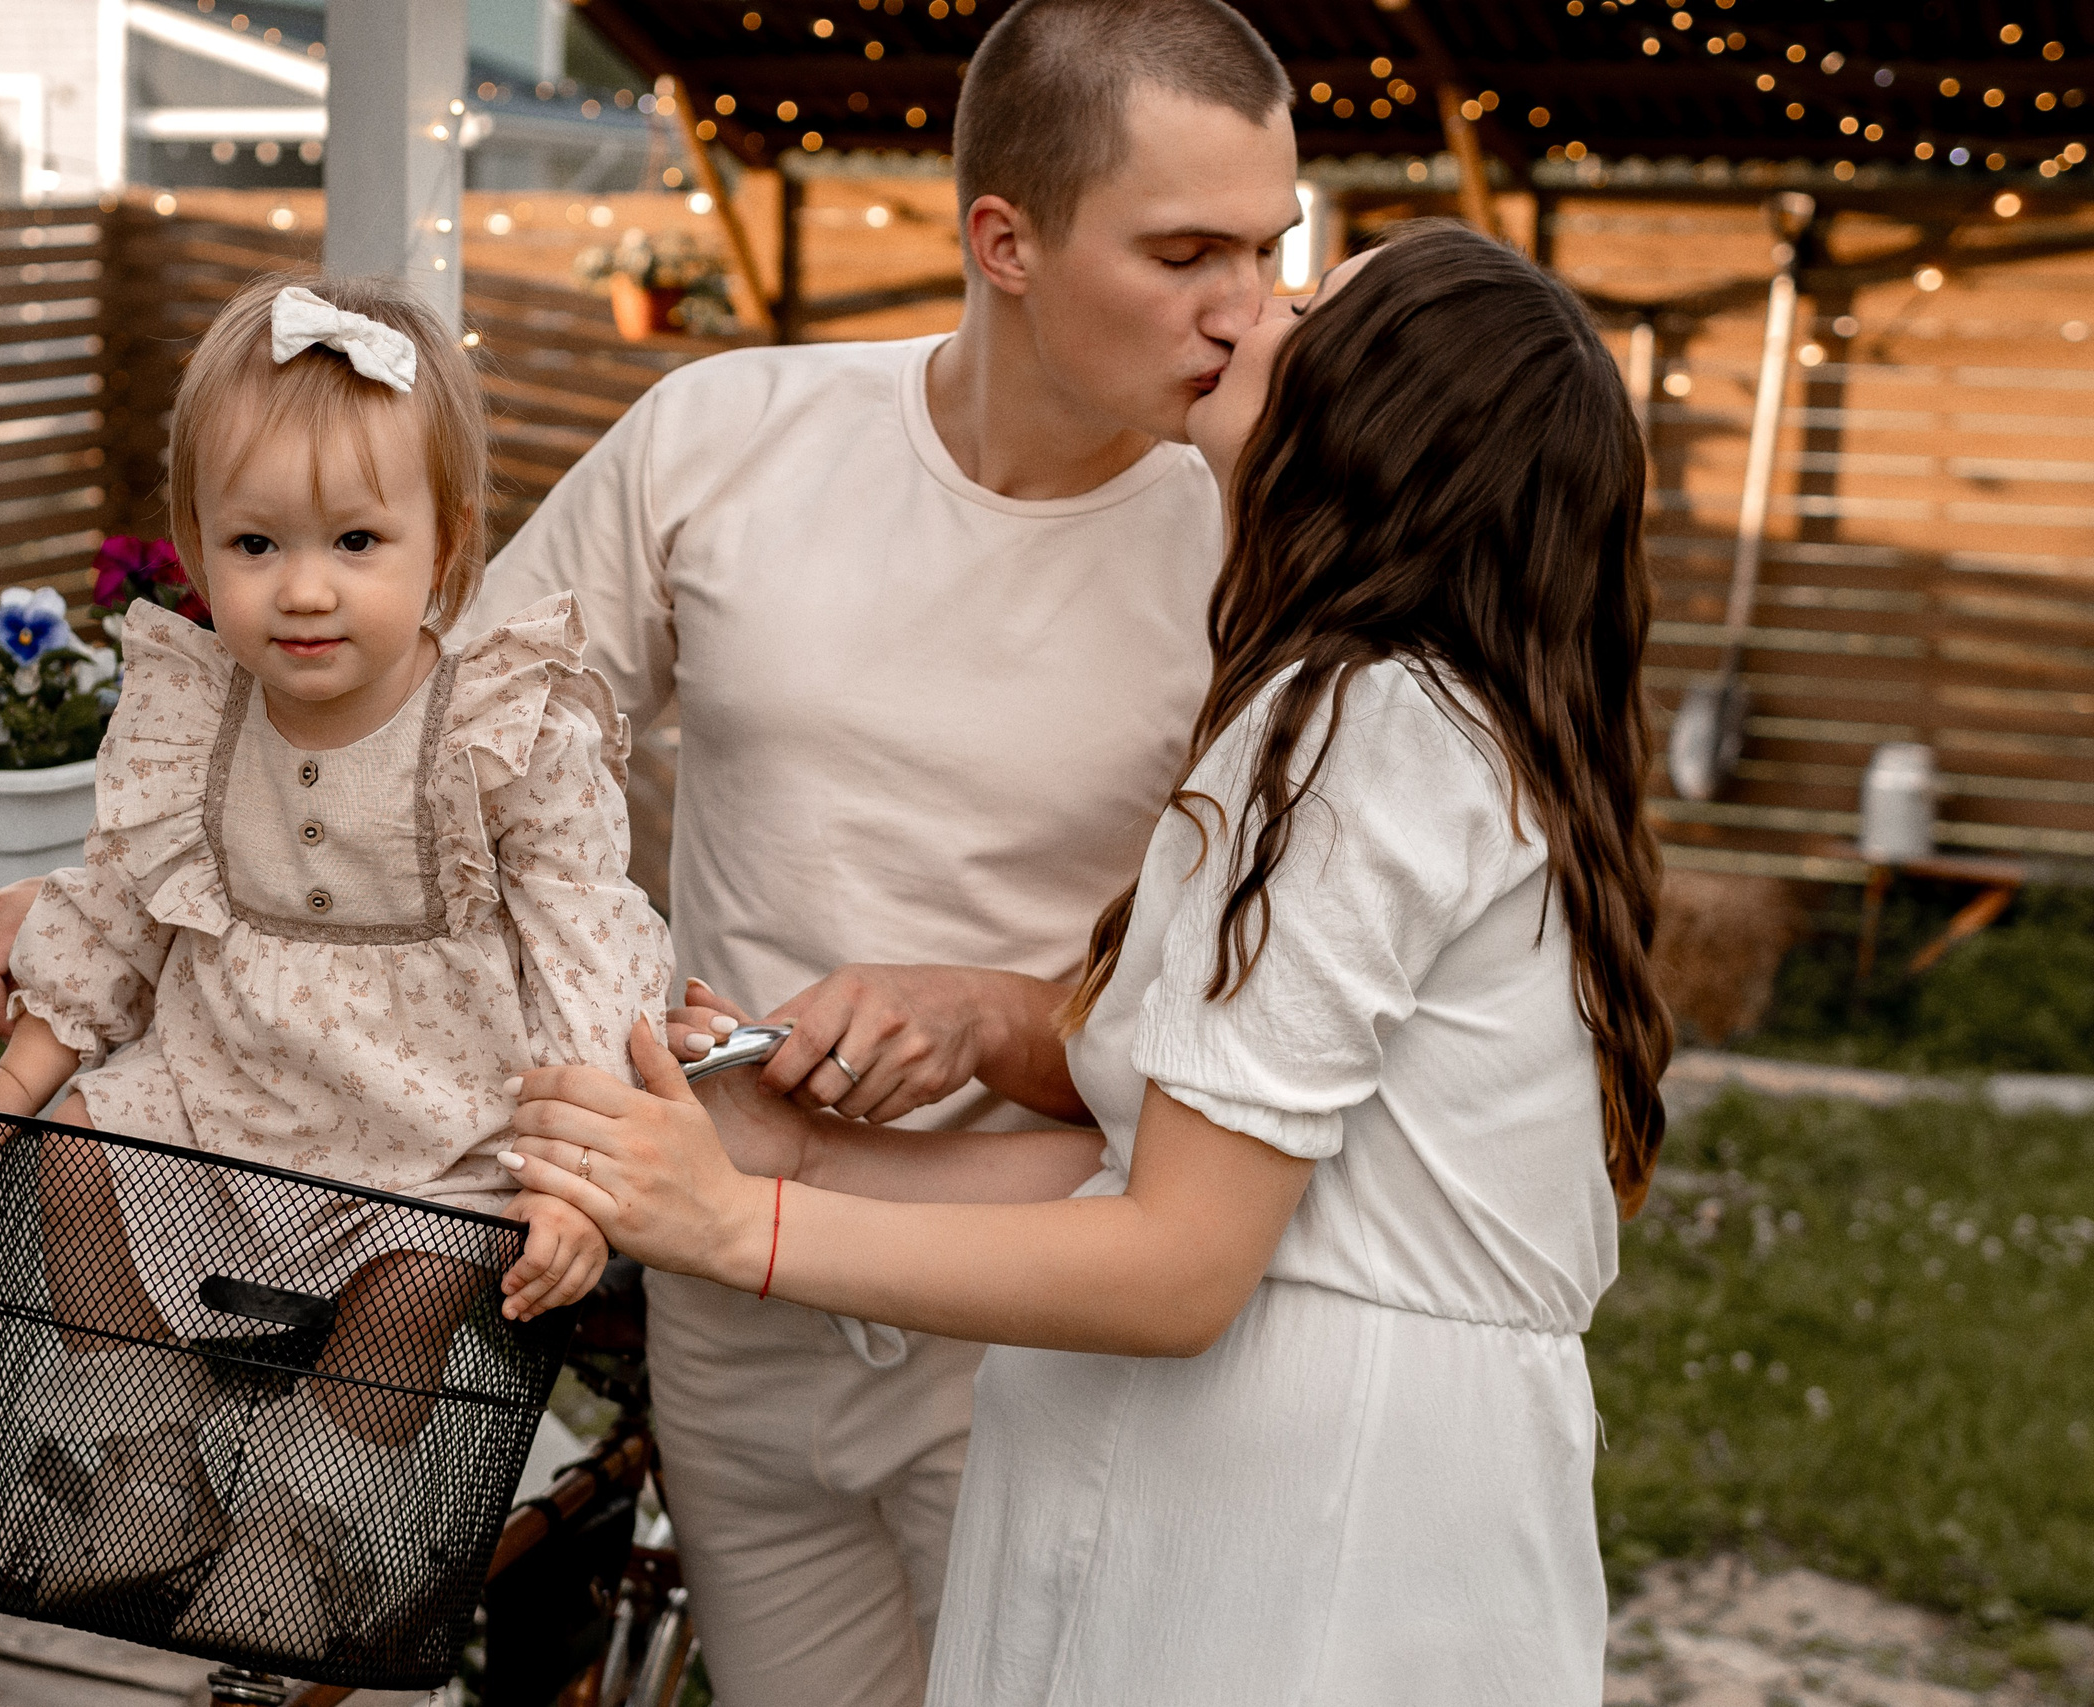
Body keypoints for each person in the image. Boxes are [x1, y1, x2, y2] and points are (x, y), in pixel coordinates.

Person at [0, 2, 1302, 1698]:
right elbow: (407, 725)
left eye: (1270, 247)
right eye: (1188, 250)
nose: (1247, 310)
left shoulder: (1274, 538)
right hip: (718, 1282)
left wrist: (988, 1011)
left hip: (1043, 1315)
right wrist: (115, 895)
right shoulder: (725, 436)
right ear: (1004, 239)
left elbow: (1269, 984)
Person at [500, 220, 1676, 1704]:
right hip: (1288, 1501)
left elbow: (1178, 1265)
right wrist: (797, 1153)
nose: (1254, 312)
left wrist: (742, 1229)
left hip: (1302, 1546)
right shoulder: (1405, 728)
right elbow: (1174, 1183)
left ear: (1379, 423)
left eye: (1305, 302)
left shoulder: (1359, 738)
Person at [0, 272, 668, 1664]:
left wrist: (576, 1181)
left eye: (358, 541)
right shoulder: (193, 717)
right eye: (256, 541)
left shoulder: (496, 724)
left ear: (448, 547)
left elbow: (584, 952)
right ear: (199, 548)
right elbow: (113, 910)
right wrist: (23, 1069)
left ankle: (298, 1532)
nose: (303, 589)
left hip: (429, 1129)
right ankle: (150, 1465)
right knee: (79, 1147)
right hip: (224, 1096)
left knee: (430, 1273)